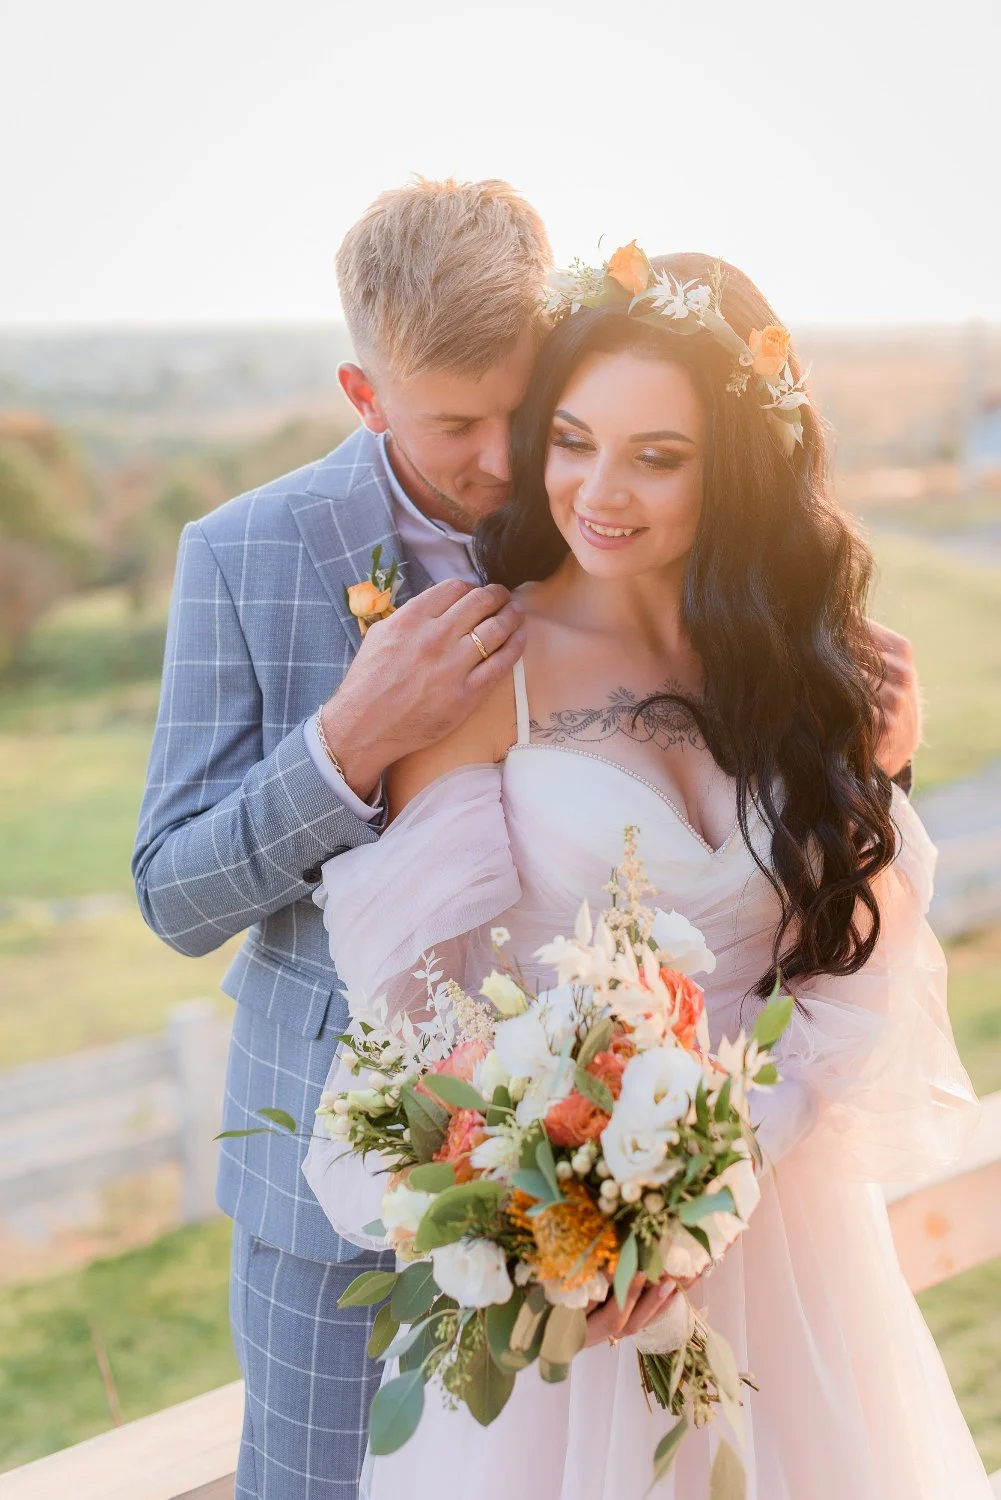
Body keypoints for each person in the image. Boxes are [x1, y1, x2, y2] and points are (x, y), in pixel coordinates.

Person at [132, 181, 921, 1499]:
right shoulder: (246, 552)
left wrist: (876, 764)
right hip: (356, 1189)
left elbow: (805, 881)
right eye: (458, 425)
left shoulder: (642, 546)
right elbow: (170, 893)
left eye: (530, 410)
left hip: (709, 1203)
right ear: (363, 390)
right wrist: (345, 745)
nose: (512, 467)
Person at [303, 248, 990, 1498]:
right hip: (579, 1281)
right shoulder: (479, 665)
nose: (596, 492)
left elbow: (854, 956)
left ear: (733, 467)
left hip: (791, 1245)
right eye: (569, 441)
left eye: (655, 457)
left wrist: (719, 1179)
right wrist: (564, 1216)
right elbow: (411, 1021)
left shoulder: (806, 669)